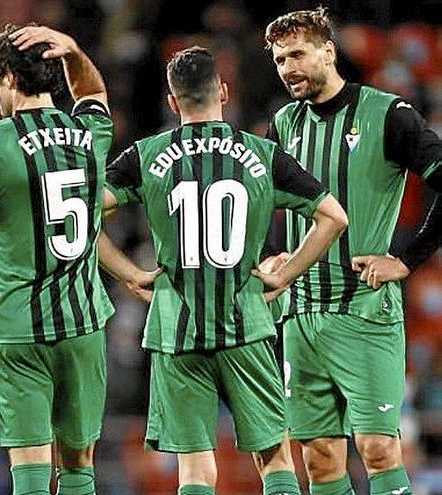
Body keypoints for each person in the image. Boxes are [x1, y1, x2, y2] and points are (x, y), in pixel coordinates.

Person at [98, 45, 348, 495]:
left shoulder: (145, 154)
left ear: (173, 102)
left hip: (177, 330)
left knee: (195, 471)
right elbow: (334, 217)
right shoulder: (262, 154)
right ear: (224, 92)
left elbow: (80, 212)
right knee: (274, 459)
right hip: (246, 324)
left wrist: (127, 272)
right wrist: (285, 274)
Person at [264, 8, 442, 494]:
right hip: (301, 316)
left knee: (379, 449)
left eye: (297, 54)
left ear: (328, 50)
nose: (288, 68)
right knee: (320, 460)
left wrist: (406, 260)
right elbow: (270, 205)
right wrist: (274, 254)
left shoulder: (388, 114)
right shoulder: (283, 124)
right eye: (280, 60)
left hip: (363, 311)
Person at [0, 24, 116, 495]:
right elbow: (95, 90)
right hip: (82, 322)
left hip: (17, 324)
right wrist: (76, 51)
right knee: (79, 462)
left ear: (7, 78)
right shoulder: (89, 132)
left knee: (28, 464)